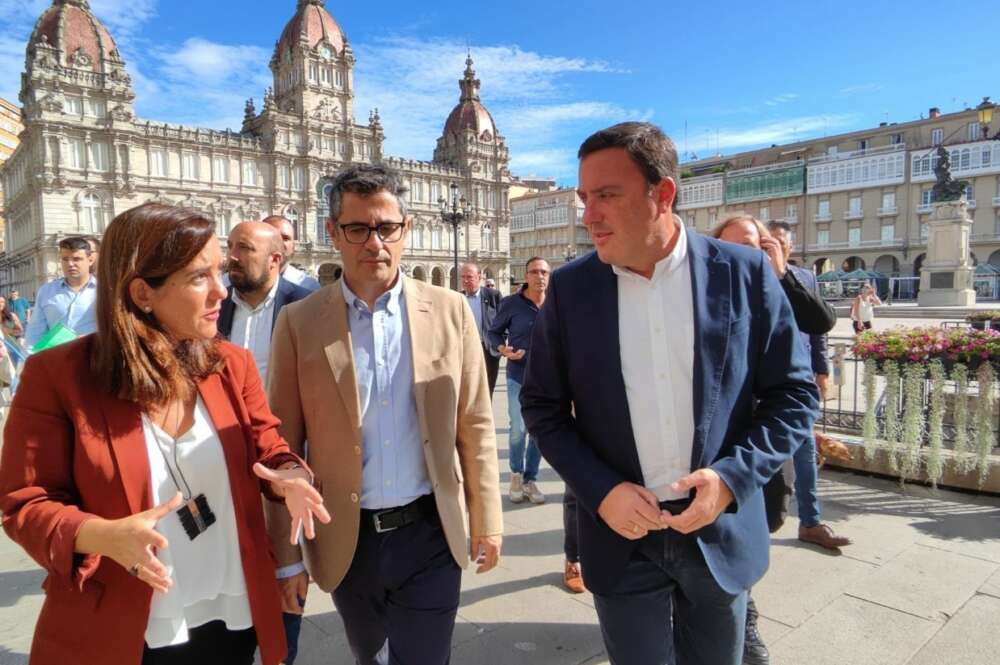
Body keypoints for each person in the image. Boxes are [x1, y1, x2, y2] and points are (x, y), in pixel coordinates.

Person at [520, 122, 818, 665]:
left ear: (663, 194)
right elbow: (542, 407)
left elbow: (794, 396)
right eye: (585, 198)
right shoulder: (570, 288)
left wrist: (732, 479)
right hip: (620, 538)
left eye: (607, 195)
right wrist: (602, 491)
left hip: (719, 531)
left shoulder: (745, 274)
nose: (589, 216)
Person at [0, 203, 330, 665]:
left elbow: (268, 446)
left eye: (221, 271)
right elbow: (24, 503)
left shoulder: (230, 364)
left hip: (230, 609)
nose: (222, 290)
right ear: (142, 293)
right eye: (200, 278)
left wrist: (290, 475)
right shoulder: (57, 376)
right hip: (126, 621)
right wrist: (100, 534)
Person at [265, 165, 503, 665]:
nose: (375, 243)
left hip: (431, 532)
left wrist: (488, 519)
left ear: (405, 228)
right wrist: (286, 562)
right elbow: (280, 447)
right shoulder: (299, 322)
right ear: (333, 233)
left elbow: (475, 423)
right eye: (358, 229)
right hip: (347, 538)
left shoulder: (451, 309)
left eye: (386, 228)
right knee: (367, 656)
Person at [714, 216, 846, 665]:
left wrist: (781, 274)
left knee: (770, 515)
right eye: (731, 246)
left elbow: (820, 321)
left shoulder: (785, 280)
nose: (742, 255)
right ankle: (743, 616)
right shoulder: (705, 286)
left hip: (772, 424)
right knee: (729, 520)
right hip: (724, 428)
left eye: (752, 246)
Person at [487, 258, 550, 508]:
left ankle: (530, 479)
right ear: (525, 275)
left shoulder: (556, 303)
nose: (540, 276)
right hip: (517, 375)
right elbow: (493, 333)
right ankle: (516, 474)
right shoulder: (512, 304)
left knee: (539, 431)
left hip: (548, 378)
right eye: (534, 272)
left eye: (544, 272)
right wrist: (503, 348)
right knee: (518, 428)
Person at [218, 221, 311, 386]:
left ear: (274, 260)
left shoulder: (305, 307)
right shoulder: (215, 307)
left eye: (244, 248)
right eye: (230, 246)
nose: (232, 255)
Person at [24, 236, 98, 349]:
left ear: (90, 260)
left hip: (95, 359)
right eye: (65, 259)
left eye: (76, 259)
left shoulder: (105, 291)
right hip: (57, 361)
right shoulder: (46, 292)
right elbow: (35, 333)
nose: (70, 264)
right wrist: (28, 360)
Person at [460, 262, 502, 397]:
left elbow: (503, 321)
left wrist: (499, 342)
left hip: (488, 350)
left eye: (469, 277)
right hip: (465, 350)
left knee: (487, 389)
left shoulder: (493, 296)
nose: (466, 280)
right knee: (467, 389)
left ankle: (486, 417)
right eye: (463, 277)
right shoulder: (458, 298)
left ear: (479, 277)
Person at [261, 215, 321, 292]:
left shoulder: (308, 287)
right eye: (272, 236)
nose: (279, 242)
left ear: (293, 247)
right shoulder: (242, 283)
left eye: (285, 238)